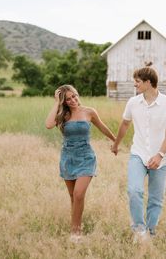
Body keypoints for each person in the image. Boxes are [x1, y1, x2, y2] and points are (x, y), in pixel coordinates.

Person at [111, 64, 166, 242]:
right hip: (138, 153)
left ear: (149, 82)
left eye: (138, 82)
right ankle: (139, 230)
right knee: (134, 190)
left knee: (156, 198)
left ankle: (150, 231)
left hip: (161, 158)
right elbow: (125, 124)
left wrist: (160, 155)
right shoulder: (133, 102)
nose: (135, 85)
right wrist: (116, 144)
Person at [45, 84, 116, 242]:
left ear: (78, 94)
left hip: (86, 158)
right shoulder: (62, 115)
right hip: (68, 158)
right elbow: (49, 125)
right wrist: (57, 103)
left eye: (74, 96)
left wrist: (115, 142)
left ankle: (75, 232)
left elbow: (102, 127)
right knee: (73, 197)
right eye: (68, 99)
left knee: (78, 194)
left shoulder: (89, 112)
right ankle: (76, 223)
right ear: (64, 102)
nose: (72, 100)